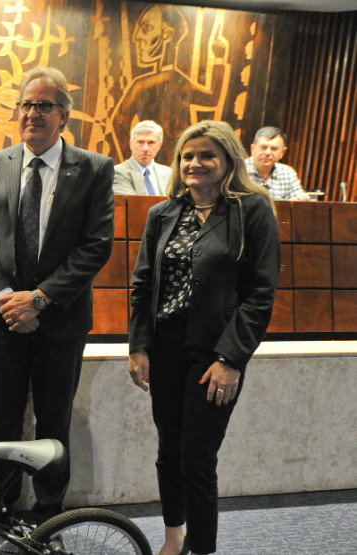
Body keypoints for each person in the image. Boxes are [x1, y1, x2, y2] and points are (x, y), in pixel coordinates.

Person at [0, 66, 115, 539]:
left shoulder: (93, 169)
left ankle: (50, 515)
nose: (32, 113)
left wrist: (40, 299)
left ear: (63, 116)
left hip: (61, 319)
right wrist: (10, 301)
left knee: (53, 418)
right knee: (3, 416)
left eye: (43, 106)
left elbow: (96, 245)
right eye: (26, 105)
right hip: (4, 318)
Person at [127, 120, 280, 555]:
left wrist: (232, 360)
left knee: (197, 459)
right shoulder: (163, 214)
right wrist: (139, 347)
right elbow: (141, 285)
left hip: (215, 354)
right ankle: (173, 537)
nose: (195, 163)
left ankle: (202, 549)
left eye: (206, 155)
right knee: (168, 453)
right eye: (187, 156)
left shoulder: (253, 210)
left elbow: (260, 295)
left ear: (228, 160)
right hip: (165, 349)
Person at [245, 126, 310, 201]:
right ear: (252, 149)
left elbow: (300, 200)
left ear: (282, 152)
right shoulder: (239, 169)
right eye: (263, 147)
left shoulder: (288, 173)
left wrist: (299, 200)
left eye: (274, 149)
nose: (268, 152)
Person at [113, 120, 172, 196]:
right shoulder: (118, 172)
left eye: (151, 143)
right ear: (131, 144)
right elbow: (133, 204)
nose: (145, 149)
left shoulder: (169, 174)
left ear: (159, 145)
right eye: (140, 142)